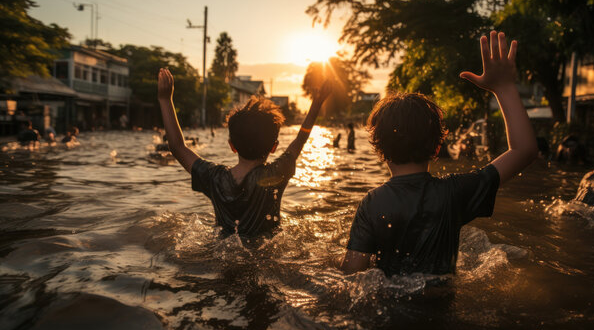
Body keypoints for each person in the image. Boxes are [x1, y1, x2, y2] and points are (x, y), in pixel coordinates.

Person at [340, 31, 538, 276]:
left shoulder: (371, 203)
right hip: (442, 308)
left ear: (379, 149)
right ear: (437, 148)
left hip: (388, 308)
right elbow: (524, 151)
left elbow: (351, 274)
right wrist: (505, 88)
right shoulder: (453, 192)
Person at [157, 68, 331, 236]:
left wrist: (166, 100)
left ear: (232, 146)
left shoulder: (214, 178)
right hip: (265, 257)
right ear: (274, 147)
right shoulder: (276, 174)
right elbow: (300, 139)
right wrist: (317, 103)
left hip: (222, 255)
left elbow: (178, 147)